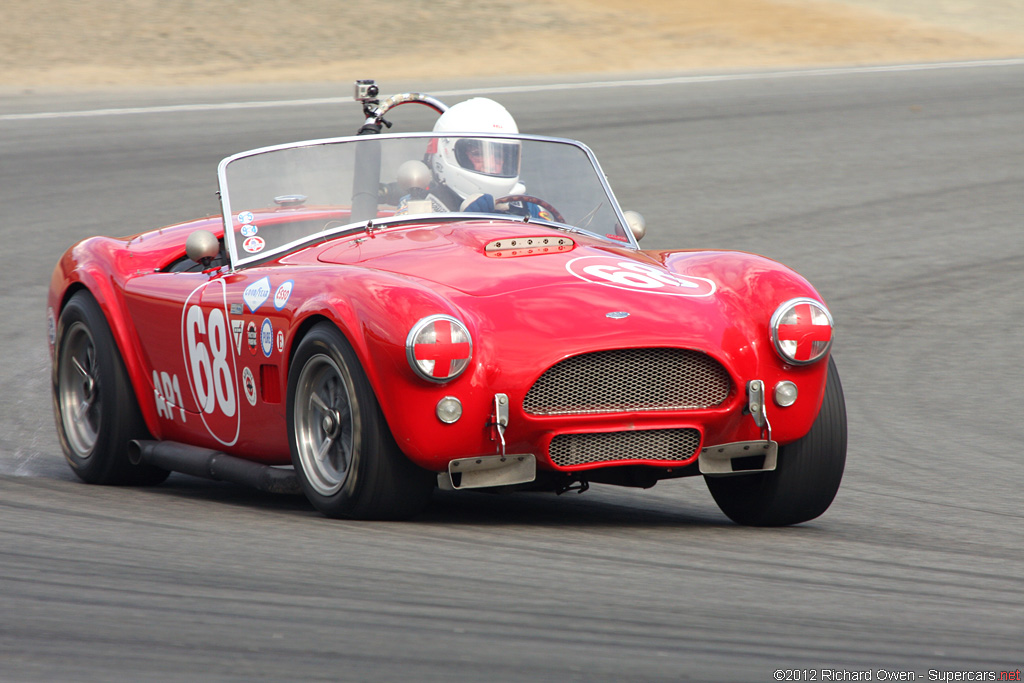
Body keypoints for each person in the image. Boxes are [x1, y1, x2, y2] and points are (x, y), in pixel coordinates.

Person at [394, 98, 553, 220]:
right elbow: (415, 256)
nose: (493, 164)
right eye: (478, 153)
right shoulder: (420, 208)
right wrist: (467, 224)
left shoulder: (527, 207)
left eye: (499, 155)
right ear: (446, 152)